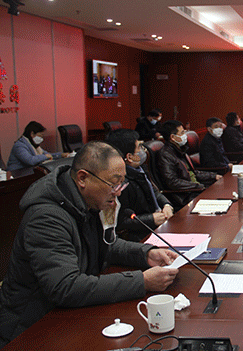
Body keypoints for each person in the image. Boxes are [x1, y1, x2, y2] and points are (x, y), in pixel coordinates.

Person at [0, 141, 178, 347]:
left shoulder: (86, 202)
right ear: (83, 178)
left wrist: (146, 254)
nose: (118, 192)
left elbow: (107, 244)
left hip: (70, 315)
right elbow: (65, 286)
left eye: (122, 184)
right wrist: (142, 281)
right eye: (113, 184)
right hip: (31, 328)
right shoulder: (46, 217)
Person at [105, 129, 174, 241]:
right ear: (129, 157)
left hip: (158, 226)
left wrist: (166, 204)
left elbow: (154, 191)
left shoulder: (139, 170)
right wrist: (151, 219)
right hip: (141, 236)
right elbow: (121, 222)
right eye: (139, 147)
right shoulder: (121, 183)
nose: (144, 150)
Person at [156, 120, 220, 208]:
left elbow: (193, 173)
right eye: (182, 133)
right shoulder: (165, 155)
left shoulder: (180, 150)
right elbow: (172, 182)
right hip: (186, 196)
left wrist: (214, 176)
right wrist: (198, 186)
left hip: (195, 190)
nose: (185, 135)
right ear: (173, 137)